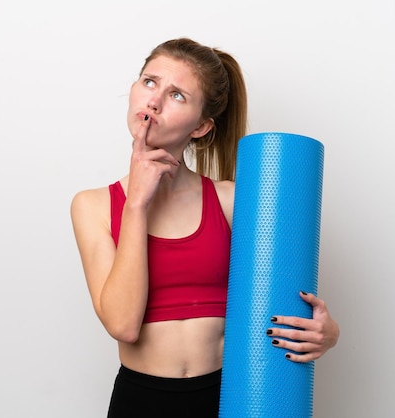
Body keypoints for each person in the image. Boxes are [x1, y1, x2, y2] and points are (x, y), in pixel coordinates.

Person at [70, 37, 339, 418]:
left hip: (230, 398)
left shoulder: (232, 201)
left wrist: (327, 333)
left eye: (177, 95)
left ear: (201, 126)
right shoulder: (93, 206)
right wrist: (137, 205)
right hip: (141, 401)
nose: (154, 100)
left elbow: (288, 301)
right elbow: (123, 324)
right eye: (149, 81)